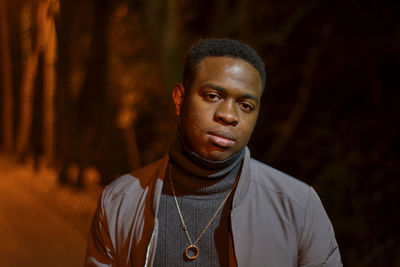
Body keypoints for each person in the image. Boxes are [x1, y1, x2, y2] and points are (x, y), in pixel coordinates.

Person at [85, 39, 342, 266]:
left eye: (245, 105)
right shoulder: (119, 201)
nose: (228, 115)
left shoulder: (298, 206)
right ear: (179, 100)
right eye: (212, 96)